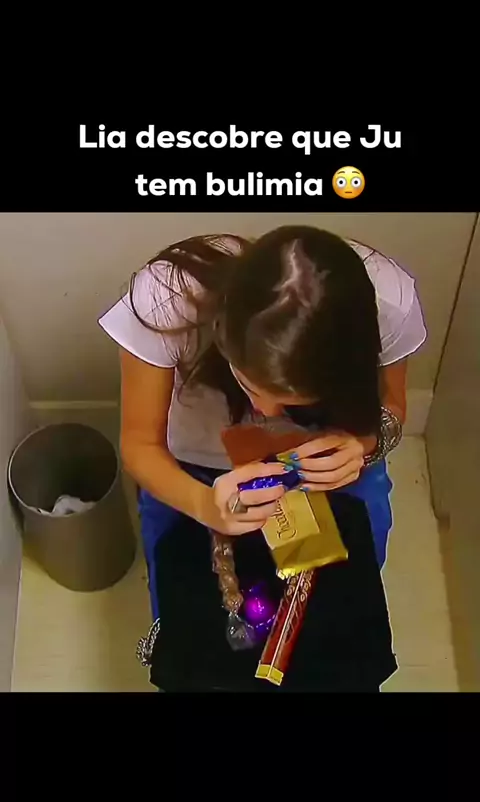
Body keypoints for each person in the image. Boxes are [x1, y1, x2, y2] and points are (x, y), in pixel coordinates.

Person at [98, 225, 427, 691]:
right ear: (222, 332)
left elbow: (392, 408)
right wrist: (204, 504)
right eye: (251, 386)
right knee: (187, 621)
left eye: (295, 400)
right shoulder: (167, 299)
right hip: (195, 469)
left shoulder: (388, 302)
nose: (267, 414)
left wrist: (366, 443)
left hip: (326, 459)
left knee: (346, 606)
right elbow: (139, 446)